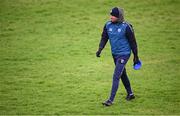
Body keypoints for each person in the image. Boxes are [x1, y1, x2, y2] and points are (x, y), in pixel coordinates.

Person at [96, 7, 140, 106]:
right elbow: (104, 38)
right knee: (122, 73)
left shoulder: (126, 27)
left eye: (113, 15)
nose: (111, 17)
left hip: (124, 54)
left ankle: (110, 100)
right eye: (110, 15)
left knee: (116, 75)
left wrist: (136, 57)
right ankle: (130, 94)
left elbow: (133, 42)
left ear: (119, 16)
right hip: (114, 54)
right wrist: (100, 49)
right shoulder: (108, 25)